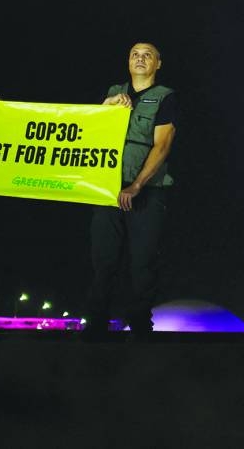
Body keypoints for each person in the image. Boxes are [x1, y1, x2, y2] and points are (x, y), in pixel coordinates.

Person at [82, 42, 178, 341]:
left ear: (158, 64)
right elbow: (85, 129)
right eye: (135, 54)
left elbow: (162, 145)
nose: (140, 58)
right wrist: (105, 107)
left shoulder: (165, 98)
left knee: (143, 262)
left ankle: (140, 326)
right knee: (103, 260)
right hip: (107, 189)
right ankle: (96, 324)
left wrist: (136, 185)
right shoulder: (113, 92)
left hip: (148, 190)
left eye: (147, 55)